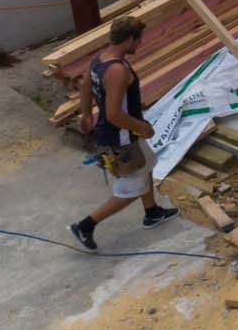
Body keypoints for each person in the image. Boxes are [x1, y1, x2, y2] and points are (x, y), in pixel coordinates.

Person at [69, 16, 176, 251]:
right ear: (129, 39)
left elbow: (86, 85)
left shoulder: (101, 59)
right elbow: (115, 113)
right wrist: (143, 127)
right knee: (131, 187)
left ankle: (152, 212)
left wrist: (86, 114)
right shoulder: (117, 70)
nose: (140, 45)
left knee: (146, 164)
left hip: (121, 133)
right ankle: (85, 226)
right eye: (138, 40)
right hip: (122, 137)